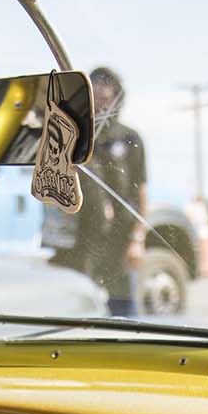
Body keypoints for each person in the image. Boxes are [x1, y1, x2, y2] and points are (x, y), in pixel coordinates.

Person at [50, 67, 147, 316]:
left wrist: (137, 240)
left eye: (107, 89)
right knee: (80, 305)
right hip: (84, 238)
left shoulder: (129, 137)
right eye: (94, 89)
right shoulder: (73, 136)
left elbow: (141, 192)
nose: (101, 95)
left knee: (122, 309)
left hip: (120, 237)